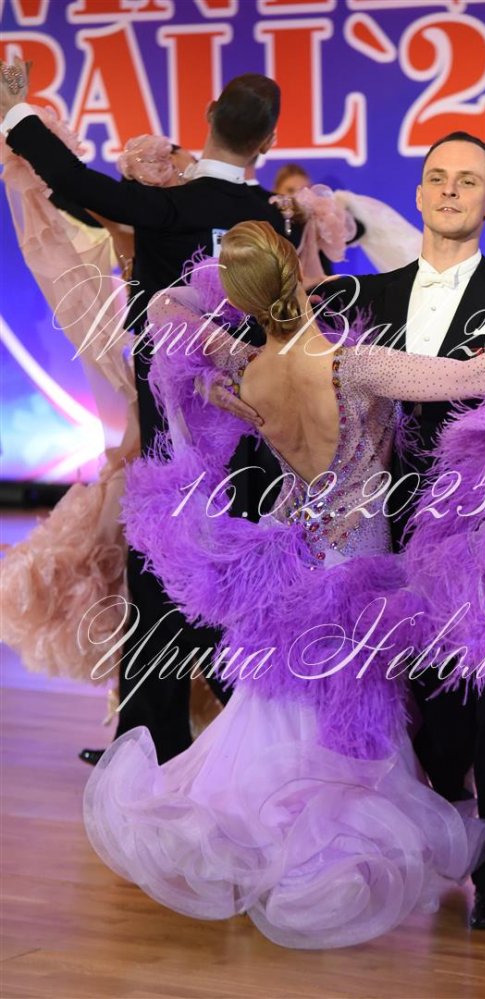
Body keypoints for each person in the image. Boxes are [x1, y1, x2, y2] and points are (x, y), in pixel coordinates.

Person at [82, 219, 485, 950]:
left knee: (279, 708)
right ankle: (316, 861)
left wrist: (218, 344)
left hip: (286, 554)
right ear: (296, 275)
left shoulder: (247, 368)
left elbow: (169, 307)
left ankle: (261, 846)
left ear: (243, 296)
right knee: (344, 720)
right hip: (354, 560)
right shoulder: (354, 366)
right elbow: (473, 377)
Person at [218, 132, 485, 930]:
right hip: (393, 542)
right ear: (418, 195)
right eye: (438, 177)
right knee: (435, 715)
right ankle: (450, 818)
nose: (451, 189)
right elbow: (268, 338)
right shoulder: (358, 300)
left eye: (468, 181)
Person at [0, 60, 295, 765]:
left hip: (171, 440)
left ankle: (148, 745)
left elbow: (73, 183)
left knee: (158, 588)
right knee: (232, 585)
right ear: (267, 142)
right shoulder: (270, 221)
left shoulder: (170, 206)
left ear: (209, 113)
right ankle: (242, 740)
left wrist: (15, 112)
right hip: (246, 441)